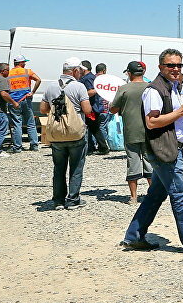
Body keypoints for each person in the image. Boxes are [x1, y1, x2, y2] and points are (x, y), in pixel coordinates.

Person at [120, 48, 183, 253]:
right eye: (170, 65)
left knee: (155, 195)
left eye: (179, 65)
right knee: (180, 194)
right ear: (160, 67)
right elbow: (152, 122)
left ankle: (134, 236)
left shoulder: (172, 86)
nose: (175, 69)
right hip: (164, 149)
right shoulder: (155, 90)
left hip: (172, 147)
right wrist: (180, 112)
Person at [39, 57, 93, 210]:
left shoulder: (51, 87)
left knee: (59, 168)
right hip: (76, 132)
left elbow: (43, 109)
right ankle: (73, 200)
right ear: (75, 71)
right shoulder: (79, 87)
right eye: (80, 71)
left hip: (57, 133)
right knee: (76, 167)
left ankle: (58, 201)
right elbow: (87, 110)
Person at [109, 61, 153, 204]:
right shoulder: (151, 88)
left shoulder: (124, 89)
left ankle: (133, 197)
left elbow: (113, 109)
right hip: (149, 130)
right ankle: (153, 195)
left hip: (131, 131)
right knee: (150, 162)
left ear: (129, 73)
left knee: (133, 162)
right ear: (143, 72)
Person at [6, 53, 41, 152]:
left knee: (17, 124)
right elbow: (38, 80)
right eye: (24, 62)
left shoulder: (8, 73)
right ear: (21, 63)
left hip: (13, 101)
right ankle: (34, 145)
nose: (25, 64)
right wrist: (32, 92)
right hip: (26, 99)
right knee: (30, 123)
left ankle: (17, 147)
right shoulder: (27, 71)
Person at [79, 61, 108, 155]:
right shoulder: (90, 77)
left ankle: (101, 148)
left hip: (91, 107)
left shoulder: (88, 78)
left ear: (84, 69)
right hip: (93, 107)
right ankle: (93, 147)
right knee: (92, 128)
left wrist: (81, 95)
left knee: (94, 128)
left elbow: (92, 91)